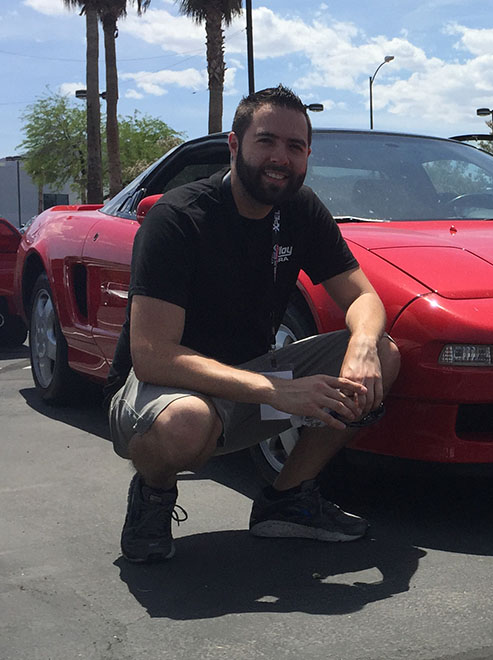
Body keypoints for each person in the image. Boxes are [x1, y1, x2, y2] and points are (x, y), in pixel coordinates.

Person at [105, 85, 400, 562]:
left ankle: (287, 500)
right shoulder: (178, 218)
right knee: (185, 423)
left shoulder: (301, 209)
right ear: (234, 145)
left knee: (384, 353)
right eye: (267, 141)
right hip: (167, 393)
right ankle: (153, 495)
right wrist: (275, 390)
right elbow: (153, 356)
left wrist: (363, 345)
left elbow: (363, 296)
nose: (281, 157)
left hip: (252, 387)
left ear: (307, 156)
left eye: (295, 146)